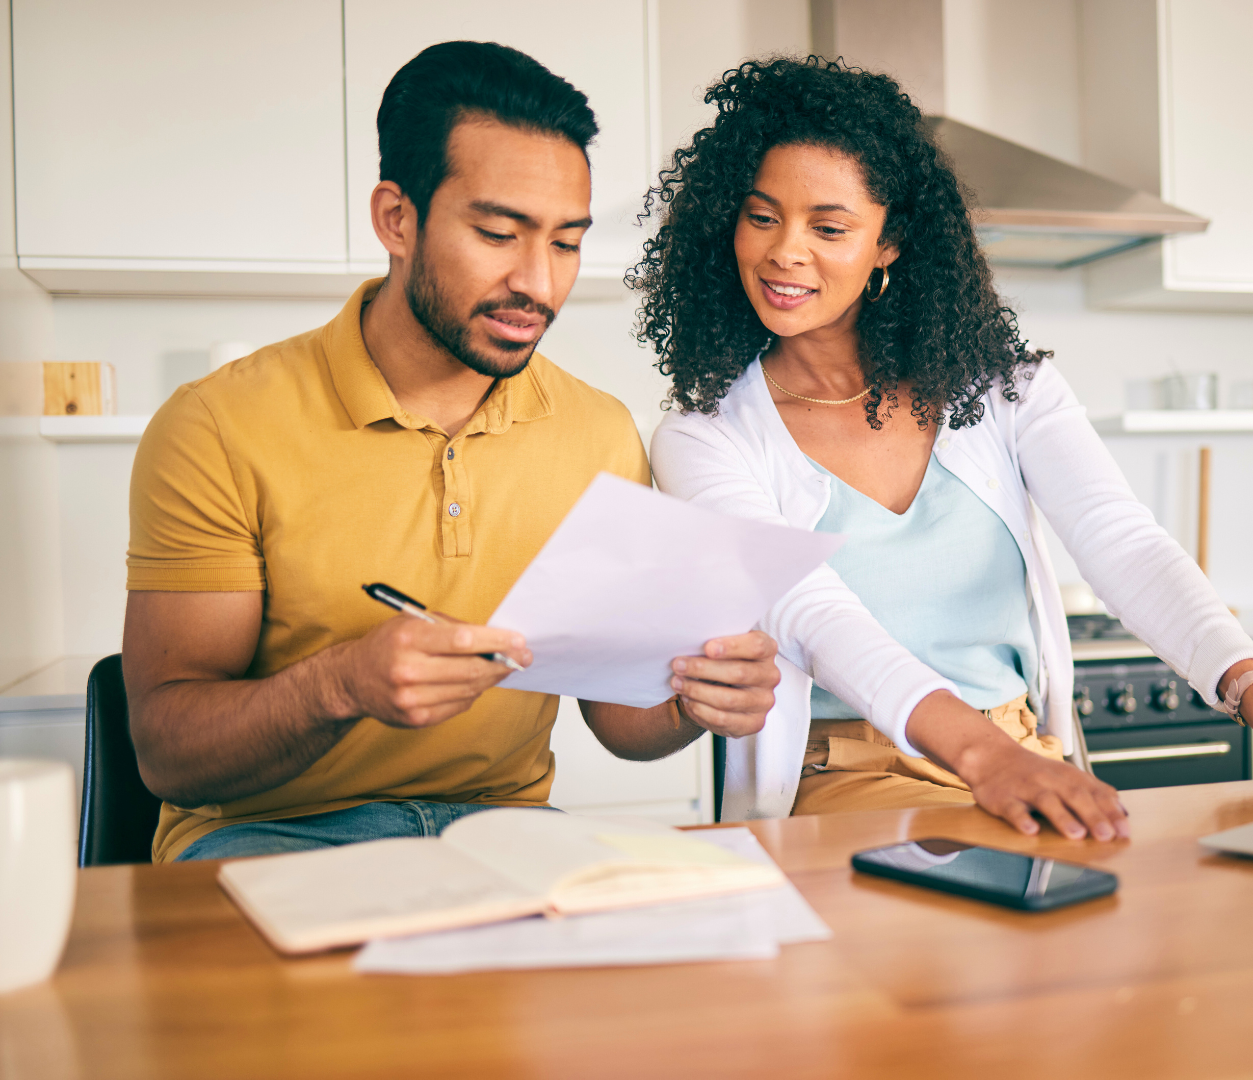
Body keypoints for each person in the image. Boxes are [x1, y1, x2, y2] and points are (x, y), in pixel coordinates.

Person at [637, 57, 1253, 839]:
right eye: (762, 215)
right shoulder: (705, 434)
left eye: (830, 226)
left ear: (889, 244)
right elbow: (811, 612)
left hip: (1017, 749)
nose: (784, 251)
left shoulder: (1001, 388)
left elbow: (1124, 544)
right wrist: (983, 758)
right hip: (844, 775)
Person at [125, 41, 779, 863]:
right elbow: (166, 754)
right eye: (499, 233)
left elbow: (620, 722)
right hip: (267, 837)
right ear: (397, 219)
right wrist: (340, 685)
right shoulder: (218, 425)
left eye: (566, 243)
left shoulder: (599, 433)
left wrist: (698, 699)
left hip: (505, 836)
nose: (539, 284)